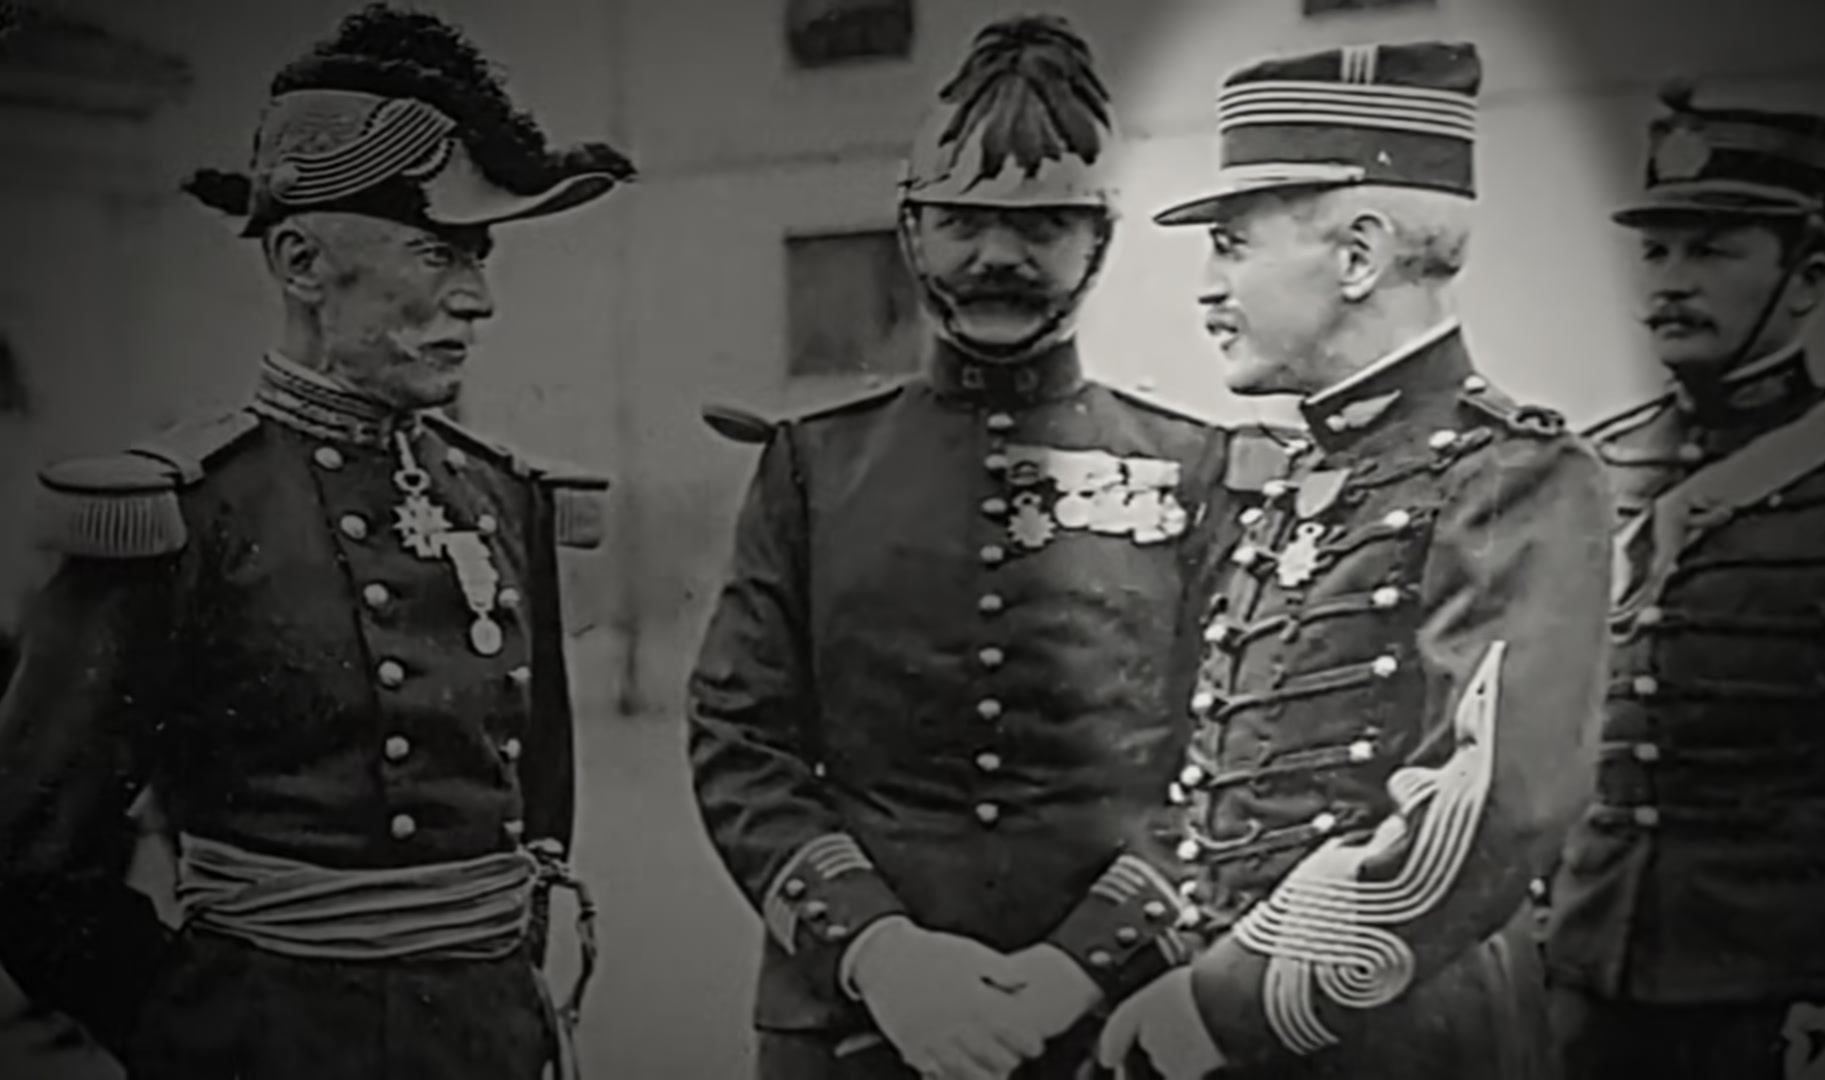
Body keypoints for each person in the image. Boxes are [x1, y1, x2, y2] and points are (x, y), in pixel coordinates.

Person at [0, 5, 630, 1077]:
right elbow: (29, 857)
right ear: (300, 262)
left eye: (479, 255)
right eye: (436, 253)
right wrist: (185, 1022)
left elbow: (537, 817)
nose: (478, 298)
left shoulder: (503, 496)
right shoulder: (183, 515)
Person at [687, 14, 1229, 1080]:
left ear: (1101, 240)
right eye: (963, 222)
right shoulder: (812, 467)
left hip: (1118, 1025)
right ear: (910, 233)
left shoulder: (1199, 469)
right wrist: (884, 958)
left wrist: (1080, 965)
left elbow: (1227, 762)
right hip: (853, 1025)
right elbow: (740, 741)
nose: (997, 258)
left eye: (1043, 226)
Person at [1089, 40, 1613, 1080]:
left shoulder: (1510, 476)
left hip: (1412, 1042)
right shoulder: (1302, 475)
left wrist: (1229, 1003)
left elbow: (1490, 807)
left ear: (1360, 256)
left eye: (1232, 246)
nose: (1207, 290)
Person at [1545, 83, 1825, 1080]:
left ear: (1808, 277)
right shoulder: (1596, 465)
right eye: (1657, 252)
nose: (1672, 282)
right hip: (1590, 971)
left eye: (1712, 251)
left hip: (1798, 989)